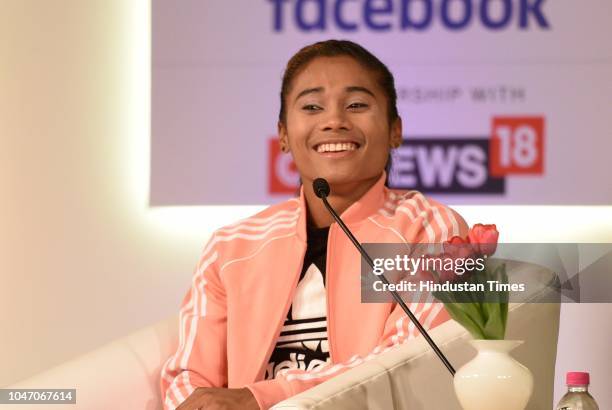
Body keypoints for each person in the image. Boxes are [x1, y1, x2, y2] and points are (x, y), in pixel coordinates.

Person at [160, 39, 468, 410]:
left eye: (356, 104)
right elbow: (187, 376)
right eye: (311, 107)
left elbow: (406, 358)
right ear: (284, 135)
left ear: (394, 130)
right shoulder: (231, 245)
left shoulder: (430, 228)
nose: (334, 120)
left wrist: (263, 398)